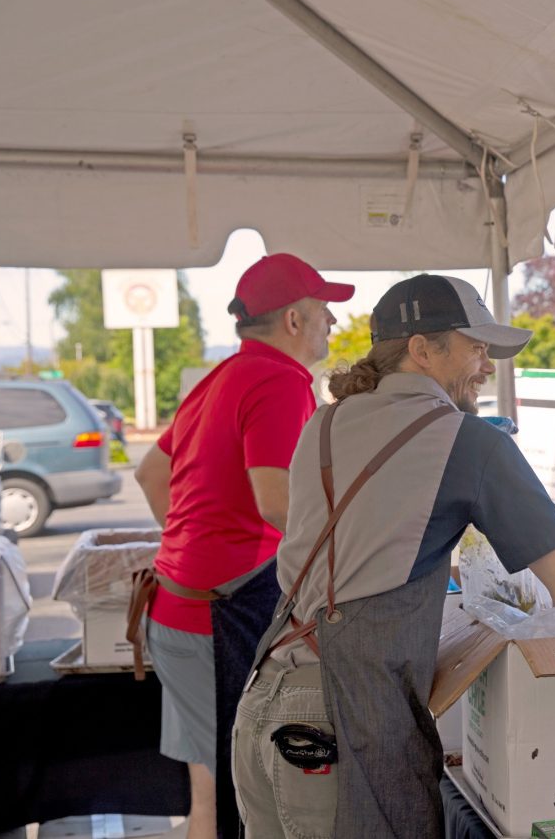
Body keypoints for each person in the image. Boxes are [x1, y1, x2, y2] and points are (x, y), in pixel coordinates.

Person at [232, 273, 555, 839]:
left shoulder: (323, 425)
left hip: (264, 705)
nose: (485, 362)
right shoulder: (471, 440)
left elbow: (359, 551)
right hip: (339, 730)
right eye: (474, 345)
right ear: (422, 350)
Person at [134, 253, 353, 839]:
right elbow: (277, 502)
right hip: (217, 620)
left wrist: (191, 550)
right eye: (324, 311)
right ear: (293, 321)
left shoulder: (218, 378)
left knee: (209, 796)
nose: (331, 323)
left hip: (178, 608)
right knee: (240, 798)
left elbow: (151, 475)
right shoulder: (280, 381)